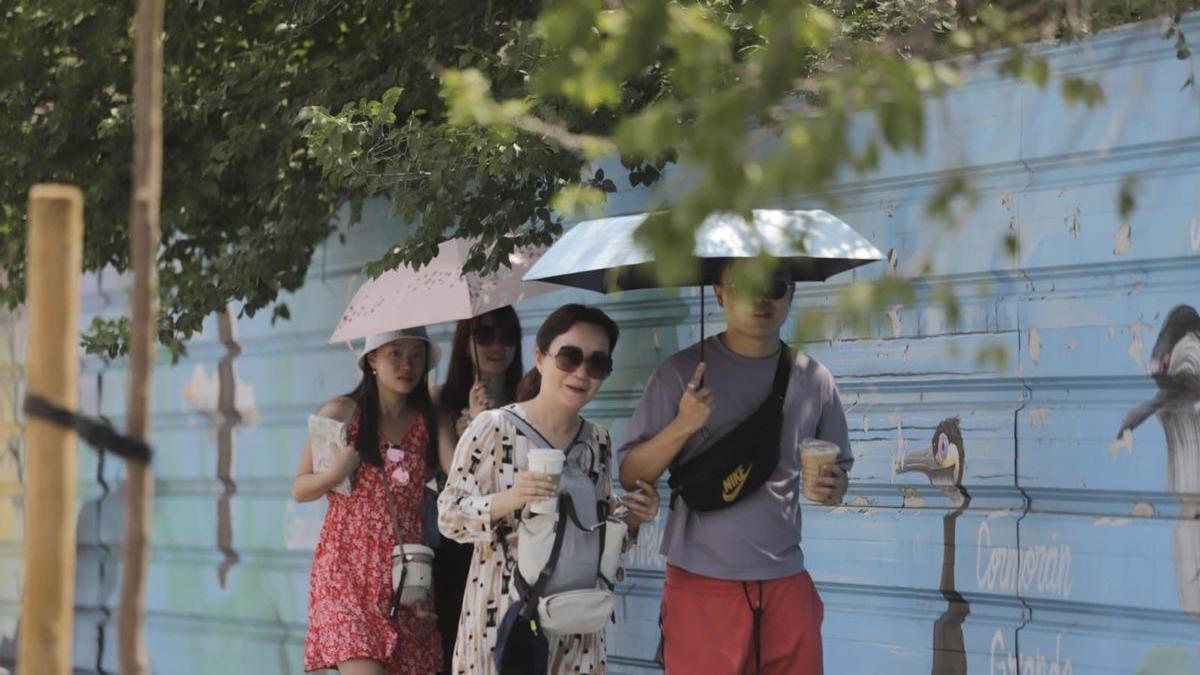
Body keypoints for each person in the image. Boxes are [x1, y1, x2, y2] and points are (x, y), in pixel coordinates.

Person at [618, 262, 853, 675]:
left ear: (792, 292)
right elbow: (631, 472)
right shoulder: (680, 374)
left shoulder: (816, 380)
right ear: (719, 293)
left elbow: (839, 475)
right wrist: (684, 425)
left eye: (776, 286)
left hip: (786, 582)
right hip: (702, 585)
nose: (762, 299)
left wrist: (835, 487)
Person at [437, 304, 660, 674]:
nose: (581, 372)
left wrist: (633, 519)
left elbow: (598, 532)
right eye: (569, 357)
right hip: (504, 623)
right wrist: (512, 498)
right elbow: (449, 516)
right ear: (540, 358)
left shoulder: (598, 441)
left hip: (577, 627)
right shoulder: (492, 428)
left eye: (597, 363)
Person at [294, 327, 444, 675]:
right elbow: (300, 488)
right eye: (395, 353)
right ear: (372, 359)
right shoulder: (343, 412)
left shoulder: (427, 423)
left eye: (416, 356)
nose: (407, 364)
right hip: (346, 573)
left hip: (405, 577)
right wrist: (334, 474)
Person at [431, 307, 524, 673]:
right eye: (485, 336)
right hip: (461, 549)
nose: (496, 345)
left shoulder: (527, 397)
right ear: (466, 343)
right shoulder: (443, 400)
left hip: (515, 547)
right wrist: (474, 422)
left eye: (507, 336)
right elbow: (452, 470)